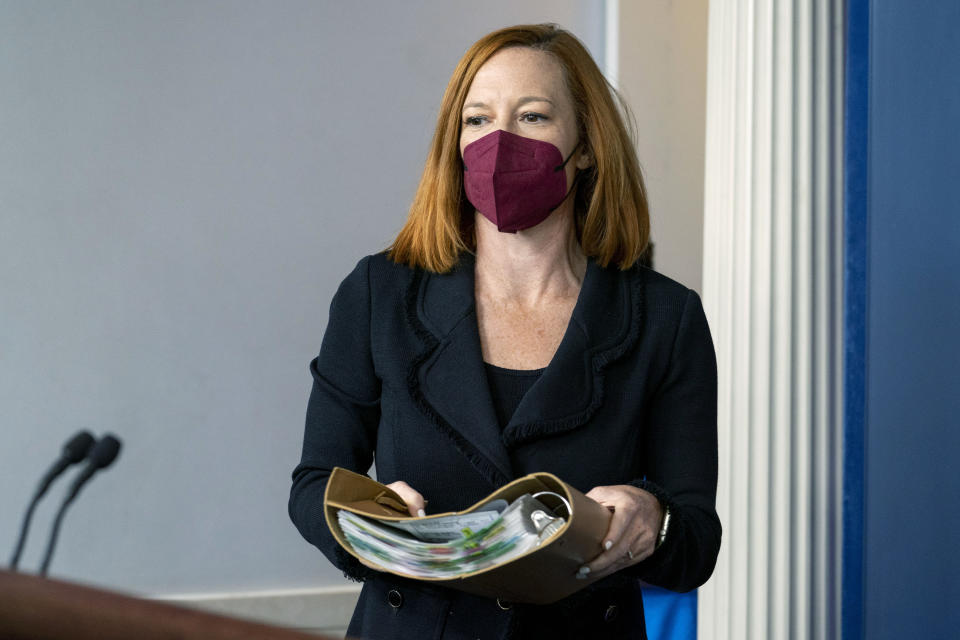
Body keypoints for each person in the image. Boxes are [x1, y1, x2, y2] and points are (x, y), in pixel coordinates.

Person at [289, 23, 720, 640]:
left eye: (534, 116)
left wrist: (655, 517)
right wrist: (369, 526)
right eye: (478, 119)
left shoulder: (666, 318)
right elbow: (312, 485)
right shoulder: (376, 294)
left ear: (588, 144)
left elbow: (697, 540)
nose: (499, 140)